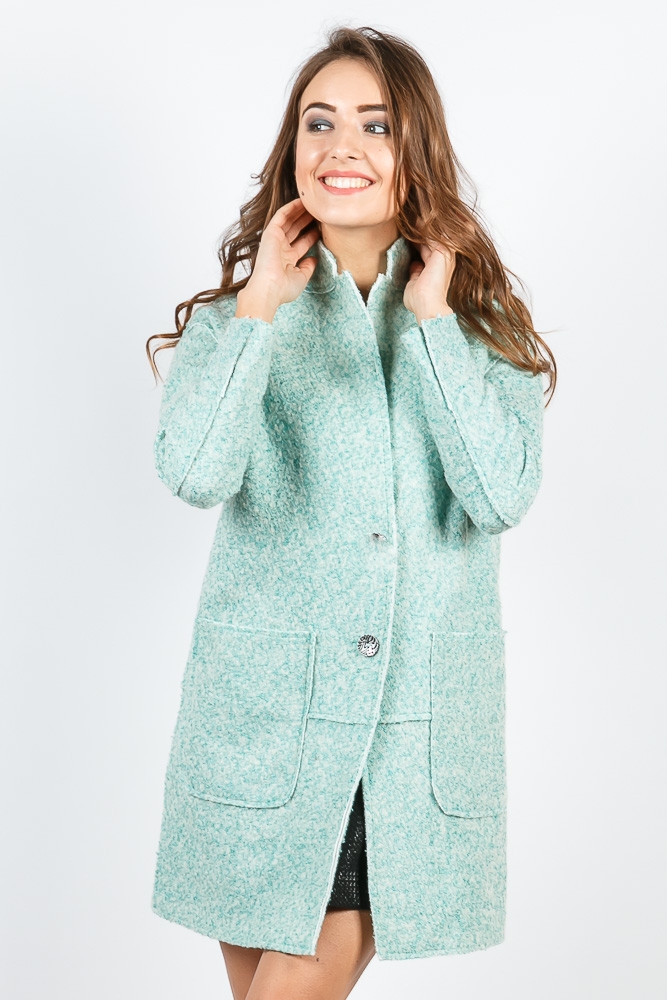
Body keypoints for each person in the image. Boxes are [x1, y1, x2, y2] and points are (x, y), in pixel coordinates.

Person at [146, 24, 556, 1000]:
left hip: (398, 744)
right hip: (263, 735)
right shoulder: (243, 318)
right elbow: (194, 471)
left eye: (375, 124)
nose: (342, 146)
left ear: (417, 149)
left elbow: (500, 493)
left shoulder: (480, 329)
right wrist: (258, 309)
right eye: (318, 121)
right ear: (291, 147)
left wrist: (432, 322)